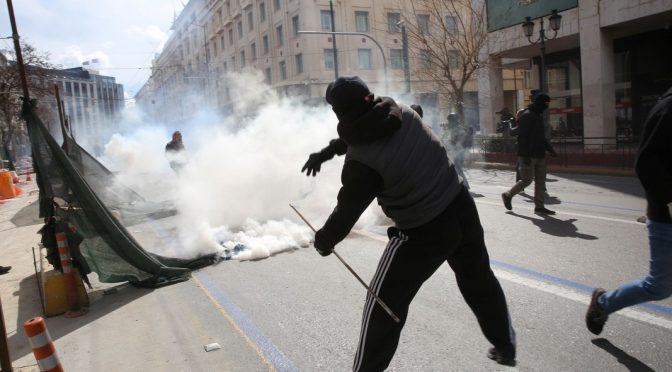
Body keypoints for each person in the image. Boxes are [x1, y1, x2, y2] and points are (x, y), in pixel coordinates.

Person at [306, 76, 516, 370]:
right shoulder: (402, 110)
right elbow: (368, 128)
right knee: (478, 278)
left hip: (423, 232)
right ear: (370, 96)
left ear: (339, 113)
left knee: (383, 306)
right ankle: (505, 346)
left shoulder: (361, 163)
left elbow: (346, 212)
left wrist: (324, 240)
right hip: (459, 204)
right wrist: (327, 152)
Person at [585, 86, 672, 335]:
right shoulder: (668, 109)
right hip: (667, 218)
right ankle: (603, 303)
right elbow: (646, 164)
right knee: (660, 287)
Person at [501, 93, 557, 214]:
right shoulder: (527, 116)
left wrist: (550, 149)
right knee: (526, 180)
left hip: (540, 154)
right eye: (545, 104)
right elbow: (520, 136)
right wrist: (525, 155)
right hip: (528, 155)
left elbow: (541, 137)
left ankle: (539, 207)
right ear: (539, 103)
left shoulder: (538, 116)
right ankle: (508, 195)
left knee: (541, 182)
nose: (546, 106)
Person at [445, 113, 473, 190]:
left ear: (453, 120)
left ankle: (465, 185)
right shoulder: (456, 128)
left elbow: (456, 142)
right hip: (458, 152)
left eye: (449, 121)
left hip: (458, 153)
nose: (449, 122)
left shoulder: (457, 129)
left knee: (458, 169)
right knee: (456, 169)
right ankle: (456, 185)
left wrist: (451, 145)